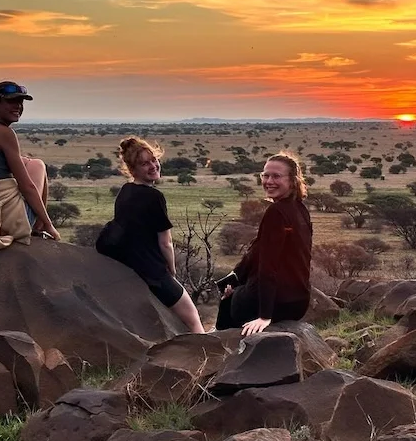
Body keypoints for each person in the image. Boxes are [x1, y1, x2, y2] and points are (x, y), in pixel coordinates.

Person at [105, 136, 205, 334]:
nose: (153, 166)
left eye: (153, 160)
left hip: (127, 265)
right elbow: (165, 242)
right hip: (151, 270)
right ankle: (209, 359)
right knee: (193, 320)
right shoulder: (154, 197)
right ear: (133, 169)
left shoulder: (125, 190)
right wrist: (172, 272)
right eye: (144, 163)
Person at [215, 152, 313, 336]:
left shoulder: (276, 212)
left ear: (292, 180)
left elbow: (268, 266)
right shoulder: (300, 209)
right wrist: (237, 277)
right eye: (265, 175)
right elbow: (260, 251)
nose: (269, 181)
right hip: (298, 303)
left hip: (274, 304)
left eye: (276, 176)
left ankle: (217, 349)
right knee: (233, 289)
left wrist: (264, 316)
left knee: (228, 301)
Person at [0, 81, 60, 249]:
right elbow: (27, 186)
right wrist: (50, 224)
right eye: (11, 101)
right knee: (37, 165)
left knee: (26, 162)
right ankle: (39, 226)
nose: (18, 106)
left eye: (20, 102)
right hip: (3, 219)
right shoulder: (3, 132)